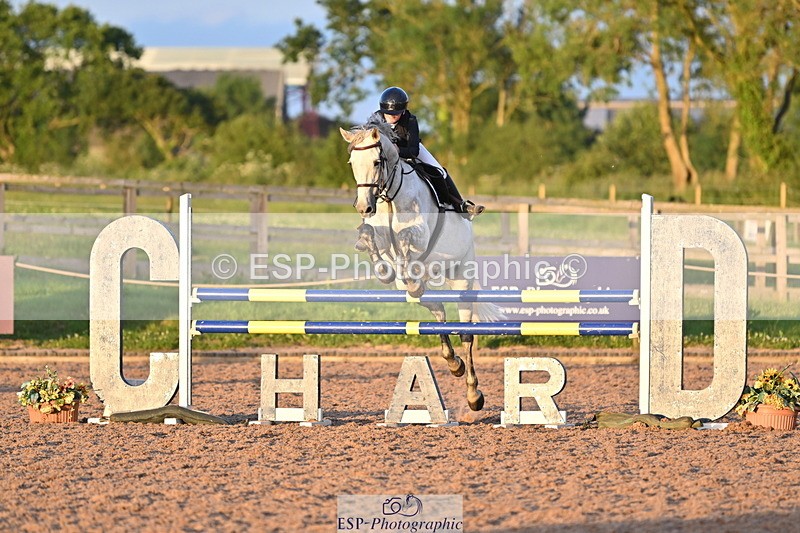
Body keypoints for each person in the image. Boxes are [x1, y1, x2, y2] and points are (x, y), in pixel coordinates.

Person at [365, 86, 484, 219]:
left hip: (409, 150)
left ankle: (461, 205)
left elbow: (414, 150)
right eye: (389, 113)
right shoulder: (374, 121)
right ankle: (364, 205)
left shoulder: (410, 120)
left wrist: (398, 150)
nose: (393, 116)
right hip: (384, 156)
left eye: (397, 113)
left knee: (440, 171)